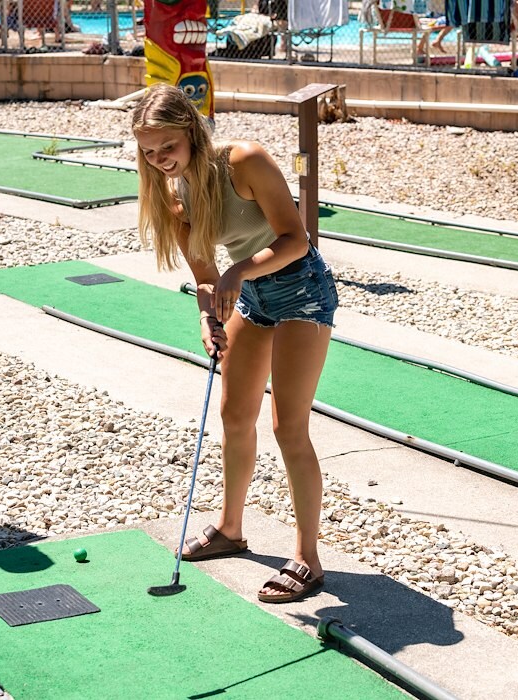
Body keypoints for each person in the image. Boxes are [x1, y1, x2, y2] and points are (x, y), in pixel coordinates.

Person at [131, 84, 339, 604]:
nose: (160, 162)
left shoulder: (244, 160)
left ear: (193, 133)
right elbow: (205, 275)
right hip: (251, 298)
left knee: (287, 425)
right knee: (234, 416)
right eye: (149, 153)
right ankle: (230, 528)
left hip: (302, 293)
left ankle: (308, 559)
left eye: (168, 148)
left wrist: (241, 270)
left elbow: (296, 239)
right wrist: (207, 316)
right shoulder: (176, 192)